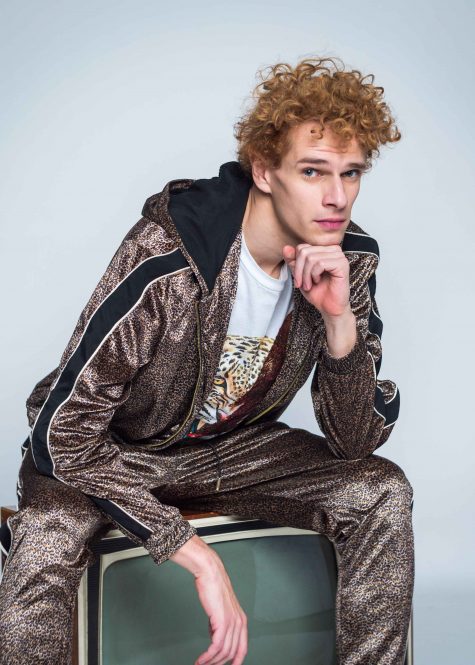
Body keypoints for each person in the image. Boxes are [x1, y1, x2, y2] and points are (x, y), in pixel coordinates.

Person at [0, 56, 414, 665]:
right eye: (312, 171)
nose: (336, 197)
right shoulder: (170, 257)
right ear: (264, 170)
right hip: (112, 452)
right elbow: (62, 433)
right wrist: (194, 553)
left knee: (380, 491)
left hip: (231, 451)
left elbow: (354, 442)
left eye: (351, 174)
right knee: (45, 535)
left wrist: (338, 321)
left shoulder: (348, 260)